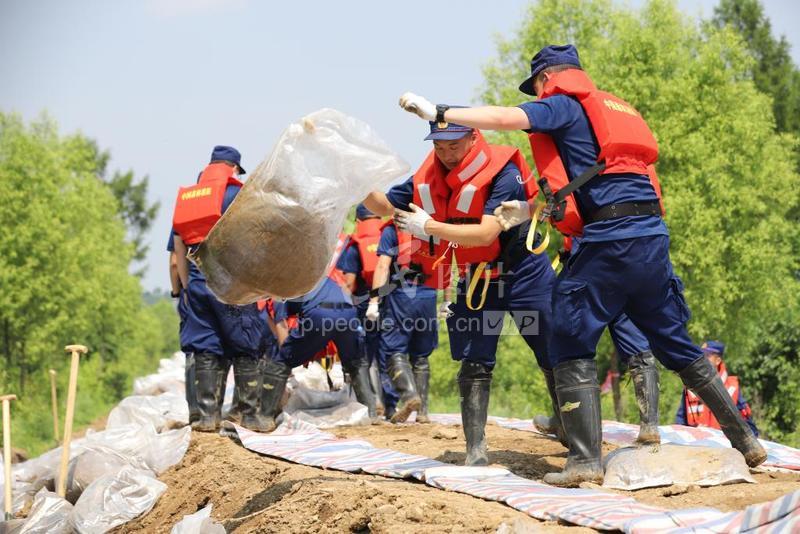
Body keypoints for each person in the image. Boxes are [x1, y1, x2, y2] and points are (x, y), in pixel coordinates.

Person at [397, 44, 766, 485]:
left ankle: (585, 461)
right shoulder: (615, 109)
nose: (538, 94)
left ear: (546, 78)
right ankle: (746, 441)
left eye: (537, 86)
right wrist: (531, 207)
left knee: (568, 339)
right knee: (676, 344)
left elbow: (506, 118)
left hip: (609, 243)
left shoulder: (563, 104)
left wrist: (437, 110)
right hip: (651, 240)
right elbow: (600, 181)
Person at [364, 120, 555, 465]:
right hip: (479, 277)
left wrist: (429, 226)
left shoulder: (503, 170)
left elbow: (485, 234)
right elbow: (384, 207)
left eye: (454, 145)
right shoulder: (427, 176)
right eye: (439, 146)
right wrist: (356, 181)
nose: (446, 154)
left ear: (473, 137)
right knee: (474, 360)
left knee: (552, 349)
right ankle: (475, 451)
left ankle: (568, 428)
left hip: (523, 271)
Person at [172, 145, 272, 432]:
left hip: (197, 283)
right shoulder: (236, 194)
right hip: (232, 284)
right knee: (245, 344)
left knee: (206, 346)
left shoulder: (188, 198)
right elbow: (255, 239)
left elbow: (178, 247)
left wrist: (189, 285)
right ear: (234, 168)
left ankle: (206, 417)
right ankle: (251, 416)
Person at [534, 237, 661, 446]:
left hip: (587, 265)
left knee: (569, 348)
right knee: (636, 345)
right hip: (625, 259)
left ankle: (567, 423)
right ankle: (650, 426)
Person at [257, 275, 378, 432]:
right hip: (348, 311)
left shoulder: (280, 289)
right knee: (356, 361)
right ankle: (371, 413)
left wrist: (289, 359)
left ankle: (265, 417)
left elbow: (282, 328)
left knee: (281, 361)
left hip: (320, 314)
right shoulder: (319, 275)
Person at [368, 220, 438, 423]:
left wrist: (374, 301)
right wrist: (448, 300)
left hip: (403, 296)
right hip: (429, 296)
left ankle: (409, 396)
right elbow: (444, 263)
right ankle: (423, 411)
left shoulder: (392, 230)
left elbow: (383, 265)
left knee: (393, 351)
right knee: (421, 355)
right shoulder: (432, 225)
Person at [337, 205, 392, 414]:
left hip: (364, 306)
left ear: (359, 220)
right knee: (388, 352)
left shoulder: (356, 243)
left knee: (364, 355)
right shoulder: (390, 234)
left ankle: (370, 403)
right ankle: (391, 405)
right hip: (390, 303)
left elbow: (349, 283)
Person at [676, 341, 759, 436]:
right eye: (701, 355)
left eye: (707, 355)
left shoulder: (733, 387)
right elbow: (680, 421)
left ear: (718, 360)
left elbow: (749, 426)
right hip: (696, 445)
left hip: (723, 446)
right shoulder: (690, 386)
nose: (702, 359)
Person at [167, 232, 199, 425]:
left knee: (195, 346)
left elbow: (174, 263)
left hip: (193, 290)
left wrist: (179, 290)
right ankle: (217, 411)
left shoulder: (184, 214)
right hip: (224, 289)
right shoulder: (225, 207)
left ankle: (197, 411)